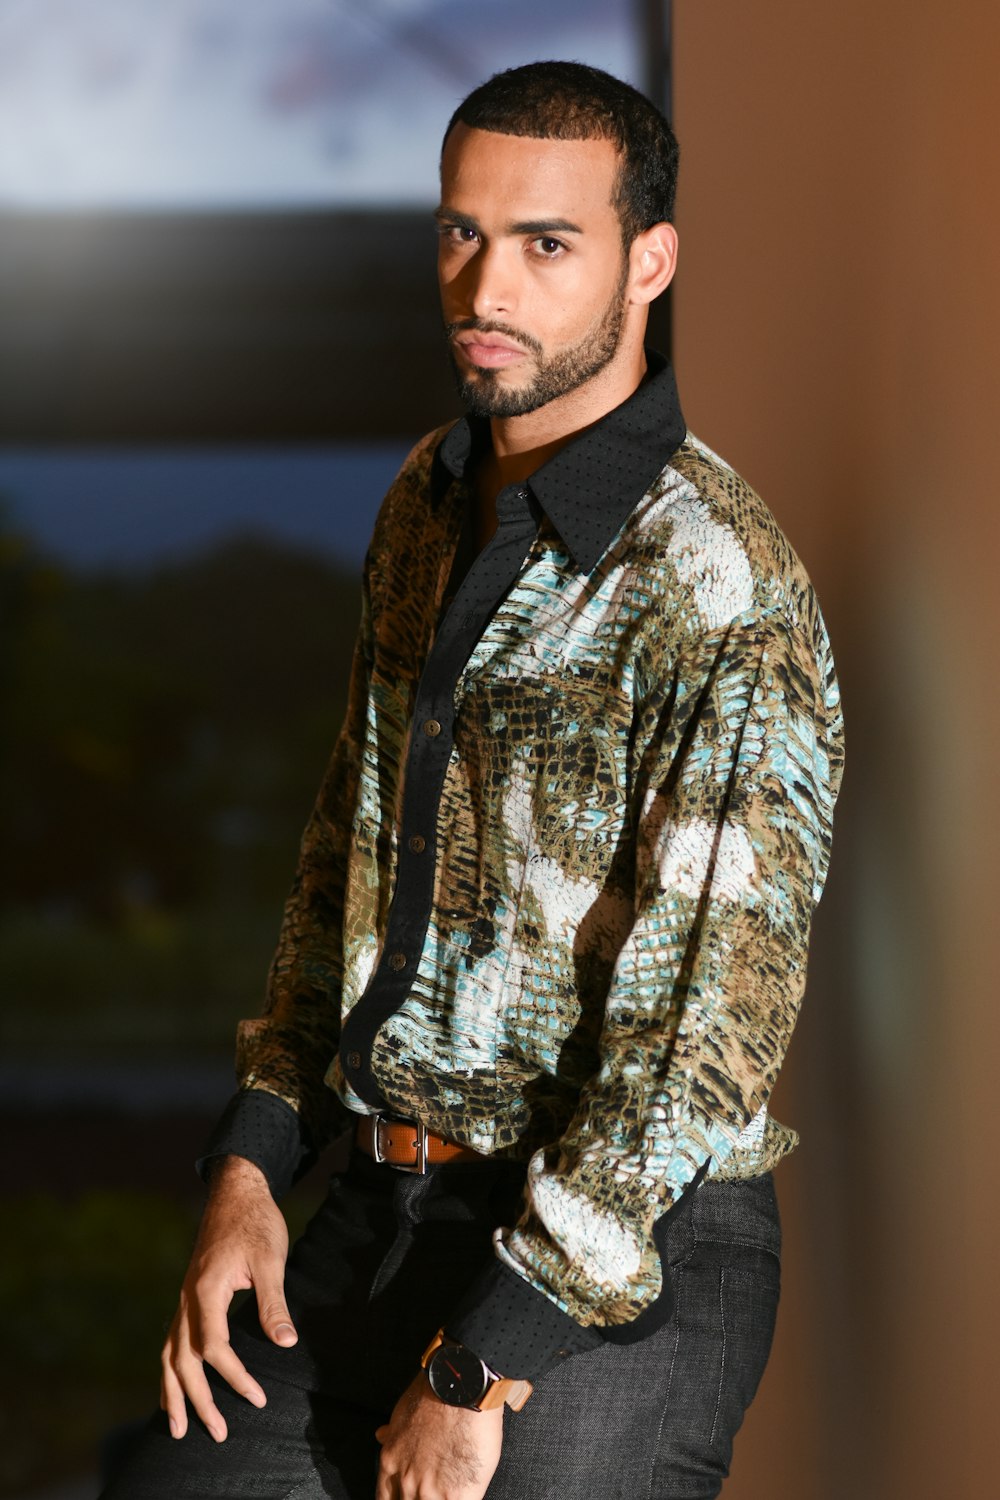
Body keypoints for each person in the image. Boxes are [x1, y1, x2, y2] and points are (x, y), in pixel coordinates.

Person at [104, 59, 845, 1500]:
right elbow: (346, 856)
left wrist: (481, 1358)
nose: (485, 286)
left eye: (546, 244)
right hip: (380, 1205)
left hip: (617, 1257)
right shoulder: (426, 503)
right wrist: (256, 1162)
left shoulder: (717, 584)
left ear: (651, 263)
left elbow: (704, 1036)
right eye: (462, 233)